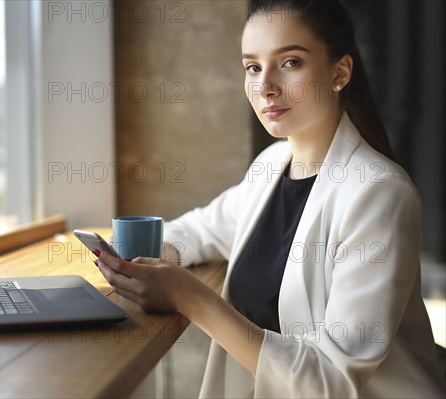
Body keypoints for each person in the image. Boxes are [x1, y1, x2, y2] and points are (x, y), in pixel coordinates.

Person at [95, 0, 446, 397]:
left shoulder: (379, 194)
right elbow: (203, 228)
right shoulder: (272, 165)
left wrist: (189, 297)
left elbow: (331, 382)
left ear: (339, 71)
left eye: (291, 62)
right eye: (252, 67)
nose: (265, 87)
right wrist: (151, 258)